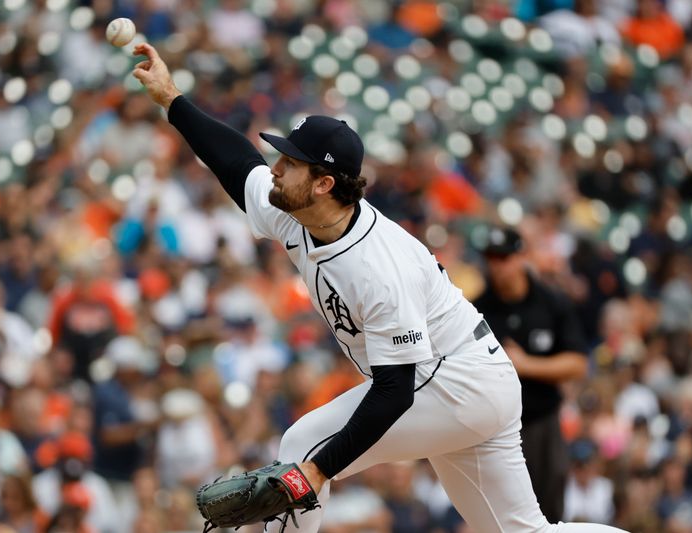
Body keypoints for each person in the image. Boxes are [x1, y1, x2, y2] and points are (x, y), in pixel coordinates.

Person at [131, 41, 634, 532]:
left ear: (325, 183)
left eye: (289, 162)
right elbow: (237, 163)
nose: (275, 169)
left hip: (457, 381)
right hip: (470, 378)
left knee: (303, 449)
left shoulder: (377, 266)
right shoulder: (298, 211)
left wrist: (319, 470)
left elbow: (395, 393)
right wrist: (173, 99)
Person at [473, 226, 588, 523]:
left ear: (521, 257)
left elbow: (578, 363)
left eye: (505, 257)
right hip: (494, 426)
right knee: (499, 513)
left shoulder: (551, 303)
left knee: (549, 508)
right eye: (492, 258)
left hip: (541, 422)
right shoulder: (476, 310)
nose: (498, 266)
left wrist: (525, 365)